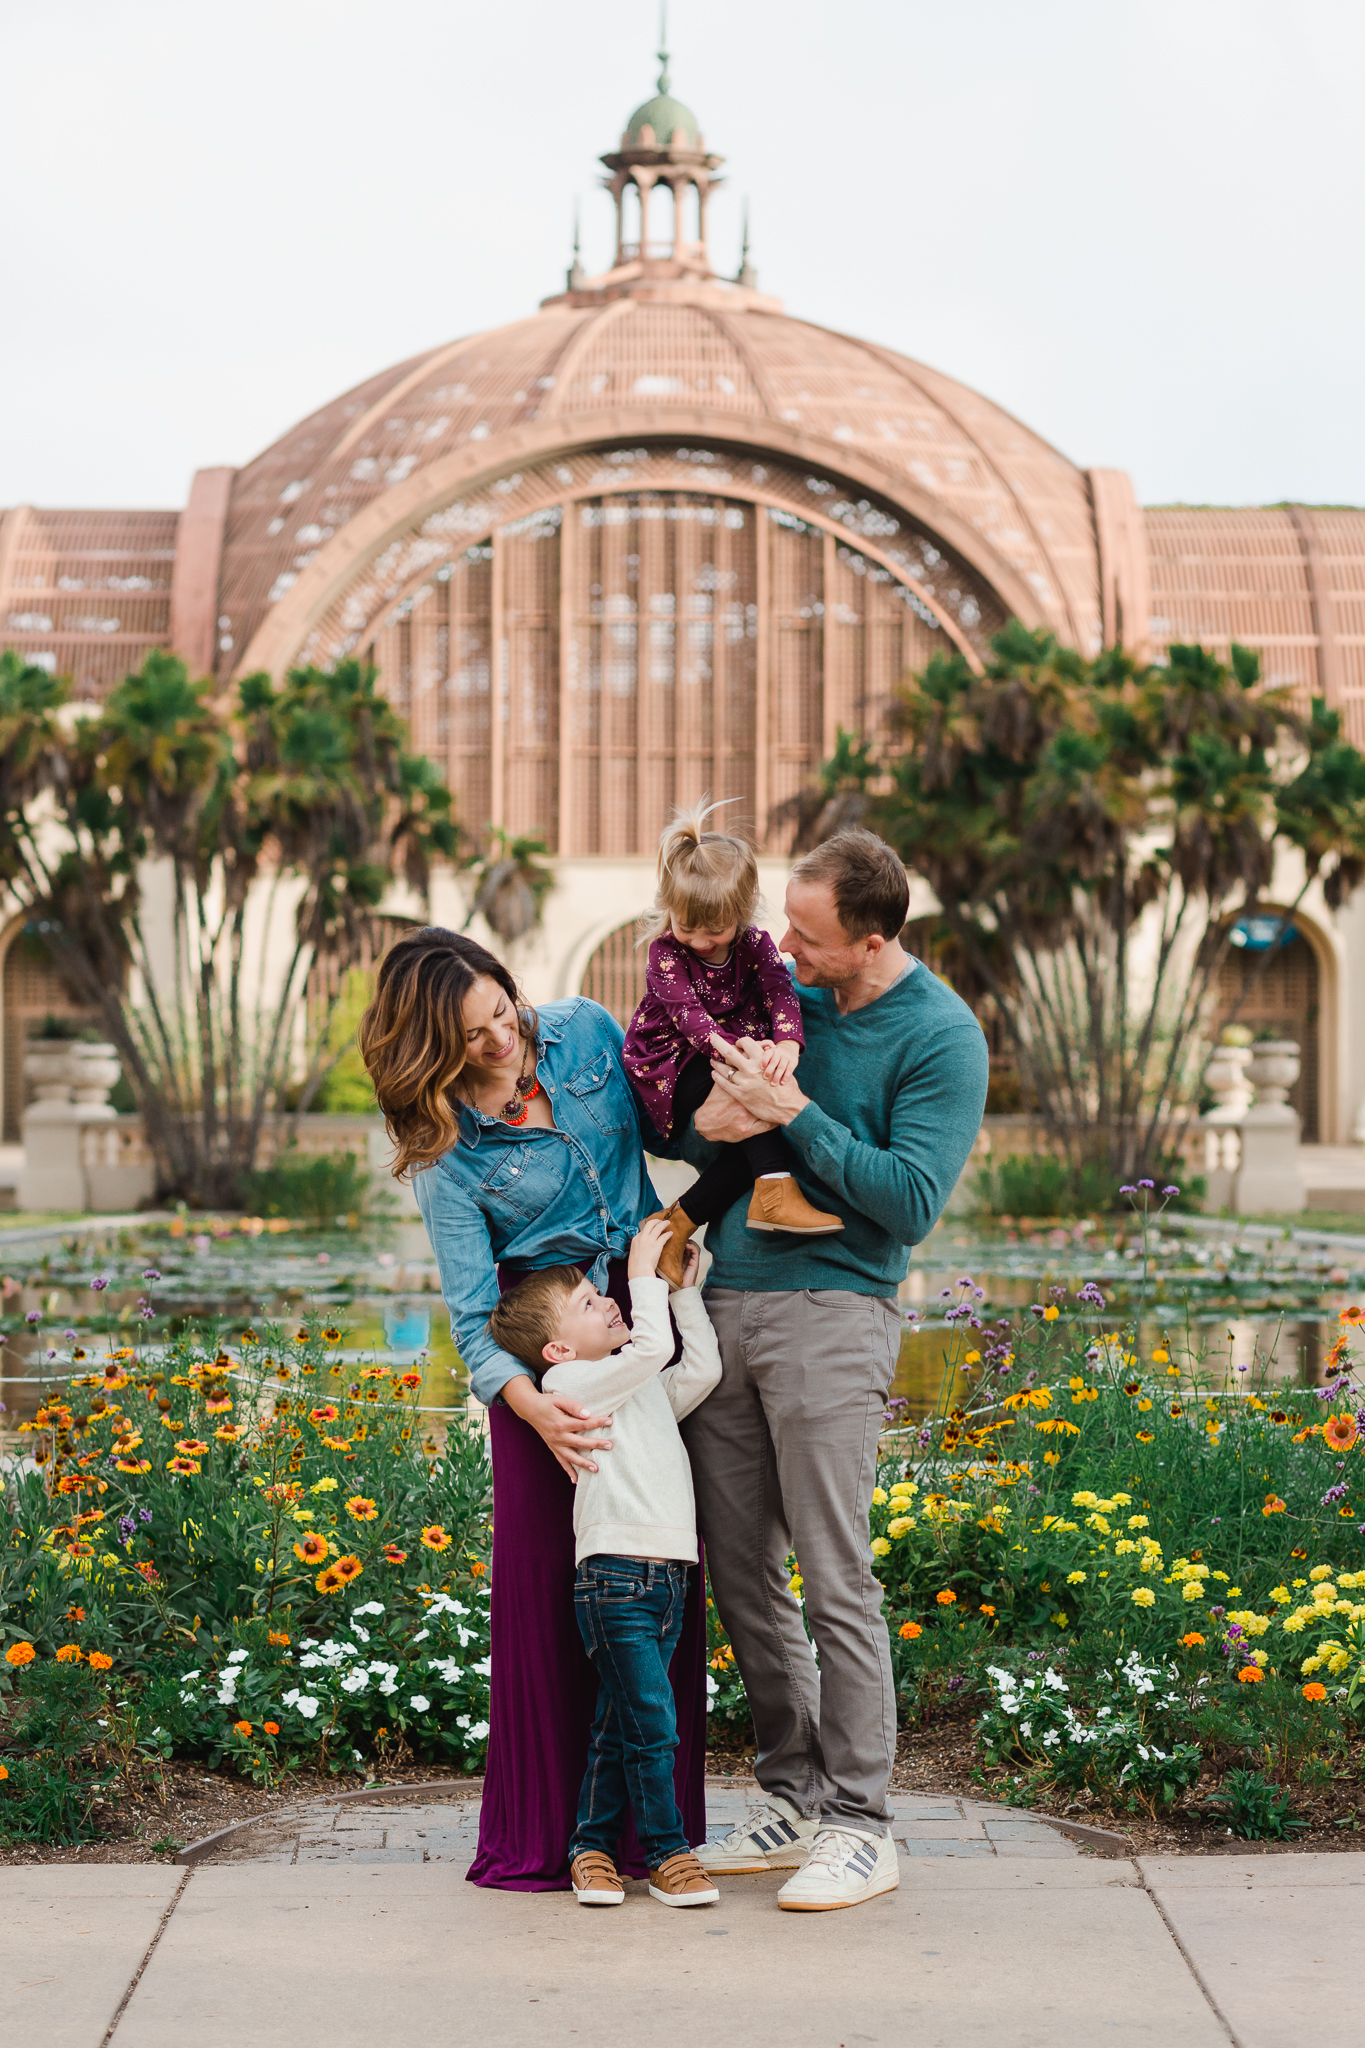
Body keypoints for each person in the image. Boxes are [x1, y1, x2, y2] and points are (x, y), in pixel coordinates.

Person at [358, 926, 708, 1891]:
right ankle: (554, 1834)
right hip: (544, 1368)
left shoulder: (589, 1034)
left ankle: (656, 1838)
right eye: (471, 1038)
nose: (500, 1043)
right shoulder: (445, 1155)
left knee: (658, 1569)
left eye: (501, 1014)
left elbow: (672, 1132)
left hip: (636, 1323)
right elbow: (473, 1324)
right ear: (432, 1049)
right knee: (556, 1607)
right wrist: (534, 1412)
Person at [679, 828, 989, 1911]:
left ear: (871, 938)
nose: (785, 952)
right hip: (727, 1301)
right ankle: (793, 1795)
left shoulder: (943, 1036)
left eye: (807, 940)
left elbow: (907, 1201)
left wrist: (795, 1113)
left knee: (834, 1572)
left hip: (837, 1309)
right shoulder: (786, 997)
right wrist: (709, 1112)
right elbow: (704, 1137)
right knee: (742, 1570)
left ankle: (863, 1822)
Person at [487, 1215, 722, 1909]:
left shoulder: (631, 1383)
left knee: (622, 1720)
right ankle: (666, 1852)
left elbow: (699, 1369)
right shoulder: (573, 1384)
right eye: (590, 1303)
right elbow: (651, 1351)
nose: (609, 1297)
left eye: (605, 1291)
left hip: (671, 1575)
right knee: (652, 1721)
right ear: (558, 1347)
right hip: (615, 1578)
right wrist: (645, 1279)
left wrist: (682, 1295)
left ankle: (591, 1849)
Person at [622, 801, 843, 1286]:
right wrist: (750, 1055)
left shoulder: (757, 944)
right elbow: (692, 1021)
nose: (699, 941)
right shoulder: (665, 953)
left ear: (742, 916)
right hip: (673, 1064)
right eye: (687, 926)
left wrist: (786, 1045)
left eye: (714, 930)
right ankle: (776, 1190)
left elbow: (780, 990)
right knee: (759, 1102)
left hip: (729, 1055)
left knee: (760, 1133)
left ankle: (674, 1224)